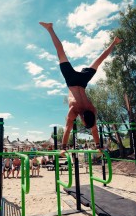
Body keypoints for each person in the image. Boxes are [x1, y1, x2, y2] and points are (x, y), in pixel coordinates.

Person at [39, 22, 122, 156]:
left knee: (98, 60)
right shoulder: (74, 110)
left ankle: (114, 42)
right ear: (83, 118)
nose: (83, 123)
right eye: (83, 122)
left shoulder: (92, 110)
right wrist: (64, 147)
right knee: (61, 54)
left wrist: (98, 146)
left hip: (82, 81)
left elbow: (92, 128)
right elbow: (68, 128)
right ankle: (50, 28)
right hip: (72, 81)